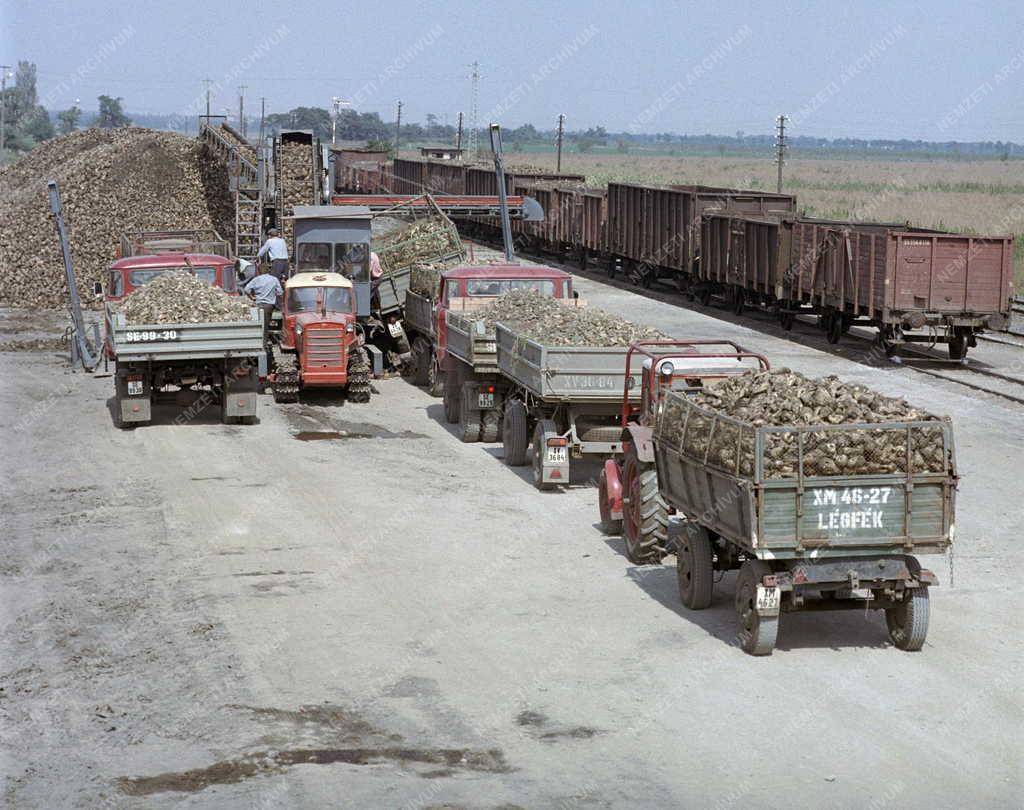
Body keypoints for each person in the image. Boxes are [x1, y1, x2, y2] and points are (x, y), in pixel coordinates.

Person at [244, 265, 283, 348]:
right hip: (269, 306)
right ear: (268, 271)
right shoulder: (274, 279)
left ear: (259, 271)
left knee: (258, 325)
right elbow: (280, 292)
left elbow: (246, 289)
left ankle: (256, 342)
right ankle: (263, 344)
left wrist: (252, 298)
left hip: (258, 305)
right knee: (265, 325)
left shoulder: (256, 279)